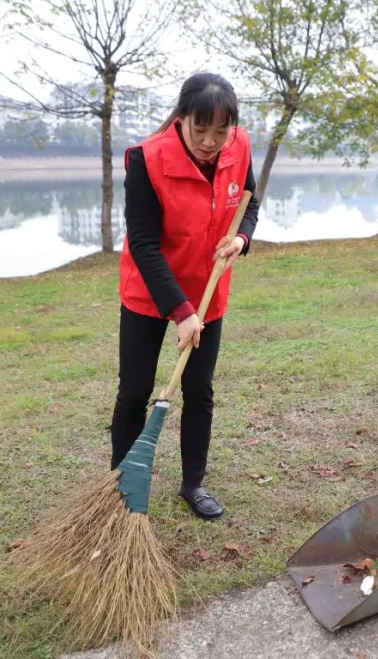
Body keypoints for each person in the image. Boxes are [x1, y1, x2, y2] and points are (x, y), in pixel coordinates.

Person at [111, 73, 259, 521]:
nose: (210, 142)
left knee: (199, 390)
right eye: (200, 129)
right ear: (181, 118)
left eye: (221, 130)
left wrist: (241, 240)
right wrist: (180, 311)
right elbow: (143, 243)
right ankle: (120, 488)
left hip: (207, 289)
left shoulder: (240, 146)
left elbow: (249, 202)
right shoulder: (147, 159)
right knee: (134, 392)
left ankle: (193, 483)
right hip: (149, 292)